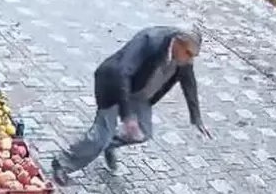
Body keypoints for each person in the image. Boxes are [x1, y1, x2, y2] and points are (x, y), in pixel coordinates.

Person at [50, 26, 211, 185]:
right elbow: (122, 72)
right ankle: (62, 163)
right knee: (101, 136)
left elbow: (189, 83)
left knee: (144, 132)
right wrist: (128, 117)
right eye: (189, 54)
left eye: (193, 56)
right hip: (114, 85)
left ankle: (108, 144)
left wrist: (196, 118)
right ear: (178, 42)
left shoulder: (183, 59)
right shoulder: (150, 40)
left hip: (140, 93)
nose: (190, 60)